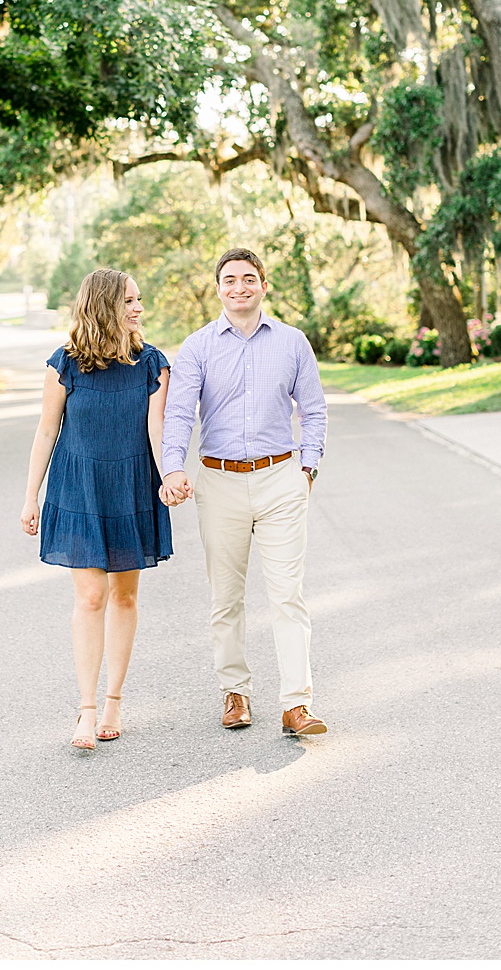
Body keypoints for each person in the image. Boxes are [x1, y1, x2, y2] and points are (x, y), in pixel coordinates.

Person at [158, 247, 329, 737]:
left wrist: (307, 469)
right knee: (226, 597)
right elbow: (179, 414)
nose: (240, 287)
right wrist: (172, 468)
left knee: (288, 595)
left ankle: (297, 704)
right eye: (230, 280)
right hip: (220, 482)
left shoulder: (293, 342)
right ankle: (235, 693)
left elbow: (313, 409)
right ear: (218, 289)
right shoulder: (197, 347)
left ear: (263, 286)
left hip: (281, 479)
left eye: (249, 278)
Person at [20, 269, 174, 751]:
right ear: (103, 305)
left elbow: (157, 430)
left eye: (139, 299)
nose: (138, 308)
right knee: (90, 598)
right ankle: (86, 709)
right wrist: (31, 497)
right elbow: (47, 430)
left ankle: (113, 701)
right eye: (129, 300)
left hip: (131, 488)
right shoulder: (64, 364)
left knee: (124, 597)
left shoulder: (152, 364)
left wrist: (170, 476)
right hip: (79, 489)